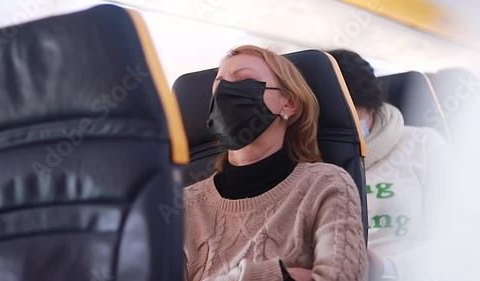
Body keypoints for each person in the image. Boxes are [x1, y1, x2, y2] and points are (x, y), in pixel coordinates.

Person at [183, 45, 368, 281]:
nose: (225, 93)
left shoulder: (326, 185)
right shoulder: (184, 205)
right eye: (218, 85)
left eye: (244, 80)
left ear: (288, 103)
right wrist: (276, 275)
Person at [328, 49, 447, 281]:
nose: (342, 126)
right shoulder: (313, 157)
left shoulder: (423, 145)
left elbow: (453, 237)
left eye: (351, 114)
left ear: (371, 106)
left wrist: (387, 270)